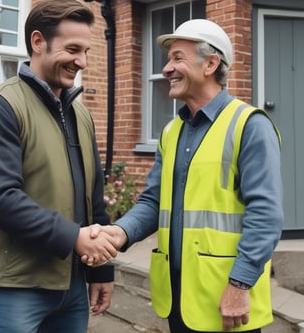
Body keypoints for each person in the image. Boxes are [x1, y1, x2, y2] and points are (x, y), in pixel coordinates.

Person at [85, 19, 283, 332]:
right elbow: (154, 200)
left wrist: (240, 284)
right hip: (179, 299)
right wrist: (119, 233)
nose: (166, 69)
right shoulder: (171, 131)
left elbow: (266, 215)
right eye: (169, 59)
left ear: (211, 64)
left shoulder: (250, 125)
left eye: (177, 58)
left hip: (228, 302)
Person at [0, 0, 117, 333]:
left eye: (87, 52)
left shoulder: (81, 113)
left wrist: (101, 270)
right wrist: (75, 238)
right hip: (14, 287)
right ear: (38, 42)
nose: (83, 61)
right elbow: (3, 200)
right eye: (73, 49)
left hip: (71, 286)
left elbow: (94, 198)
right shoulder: (0, 106)